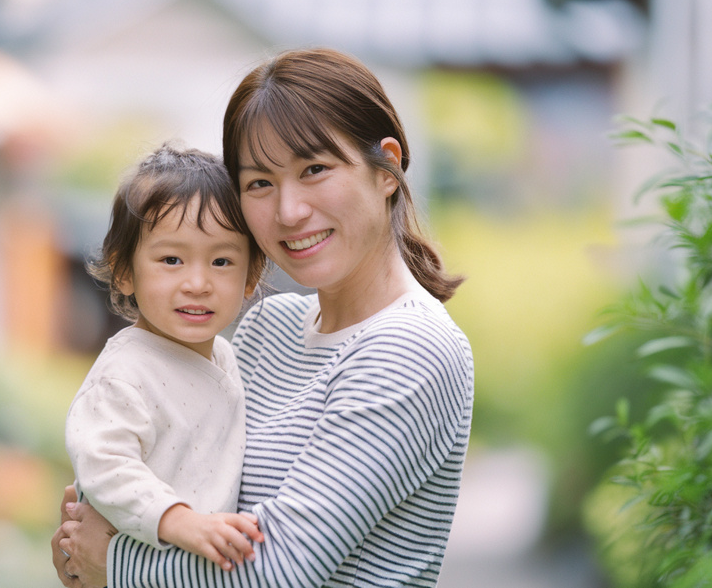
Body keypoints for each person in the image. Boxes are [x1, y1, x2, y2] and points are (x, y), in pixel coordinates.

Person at [53, 48, 475, 588]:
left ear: (386, 168)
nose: (288, 211)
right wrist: (87, 536)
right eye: (259, 183)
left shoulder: (409, 347)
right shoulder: (264, 328)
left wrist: (110, 565)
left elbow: (278, 571)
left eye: (315, 170)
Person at [63, 143, 267, 577]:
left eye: (222, 261)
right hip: (137, 565)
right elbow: (105, 464)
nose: (197, 282)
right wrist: (179, 520)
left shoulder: (228, 358)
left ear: (251, 275)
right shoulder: (125, 374)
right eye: (171, 259)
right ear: (123, 270)